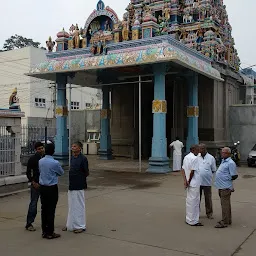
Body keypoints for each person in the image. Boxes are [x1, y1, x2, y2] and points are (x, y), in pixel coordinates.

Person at [63, 142, 89, 233]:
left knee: (79, 205)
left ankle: (80, 225)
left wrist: (79, 178)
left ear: (80, 148)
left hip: (79, 185)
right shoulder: (72, 158)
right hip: (72, 184)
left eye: (75, 146)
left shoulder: (83, 159)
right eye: (72, 146)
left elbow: (86, 172)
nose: (72, 148)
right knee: (71, 205)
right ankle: (70, 224)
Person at [39, 143, 64, 239]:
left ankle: (44, 231)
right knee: (51, 210)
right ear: (53, 151)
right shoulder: (55, 163)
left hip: (43, 187)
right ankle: (50, 232)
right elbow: (61, 172)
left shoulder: (40, 161)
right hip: (51, 188)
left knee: (43, 209)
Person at [214, 147, 238, 228]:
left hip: (225, 187)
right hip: (221, 186)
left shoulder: (230, 163)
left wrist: (228, 183)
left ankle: (225, 221)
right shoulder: (224, 161)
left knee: (225, 205)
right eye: (222, 152)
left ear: (228, 154)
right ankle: (227, 219)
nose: (222, 153)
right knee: (225, 204)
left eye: (224, 152)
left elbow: (234, 175)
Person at [181, 145, 203, 226]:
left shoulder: (186, 157)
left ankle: (188, 219)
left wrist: (185, 181)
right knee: (195, 202)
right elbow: (192, 172)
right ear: (193, 150)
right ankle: (193, 221)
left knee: (189, 201)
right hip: (194, 183)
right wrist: (188, 181)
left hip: (189, 183)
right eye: (198, 150)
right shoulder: (194, 158)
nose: (199, 151)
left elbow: (183, 169)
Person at [25, 142, 44, 231]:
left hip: (45, 184)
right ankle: (29, 223)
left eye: (42, 148)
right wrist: (33, 182)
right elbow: (28, 172)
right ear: (36, 150)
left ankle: (45, 223)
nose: (41, 150)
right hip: (35, 185)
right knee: (33, 204)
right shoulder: (32, 159)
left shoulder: (45, 158)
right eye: (39, 149)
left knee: (45, 205)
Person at [198, 144, 216, 219]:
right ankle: (196, 213)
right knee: (197, 198)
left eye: (202, 149)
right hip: (197, 182)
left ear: (205, 149)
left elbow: (213, 170)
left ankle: (209, 213)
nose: (200, 150)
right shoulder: (196, 157)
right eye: (199, 149)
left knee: (208, 198)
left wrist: (206, 174)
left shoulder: (211, 158)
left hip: (207, 182)